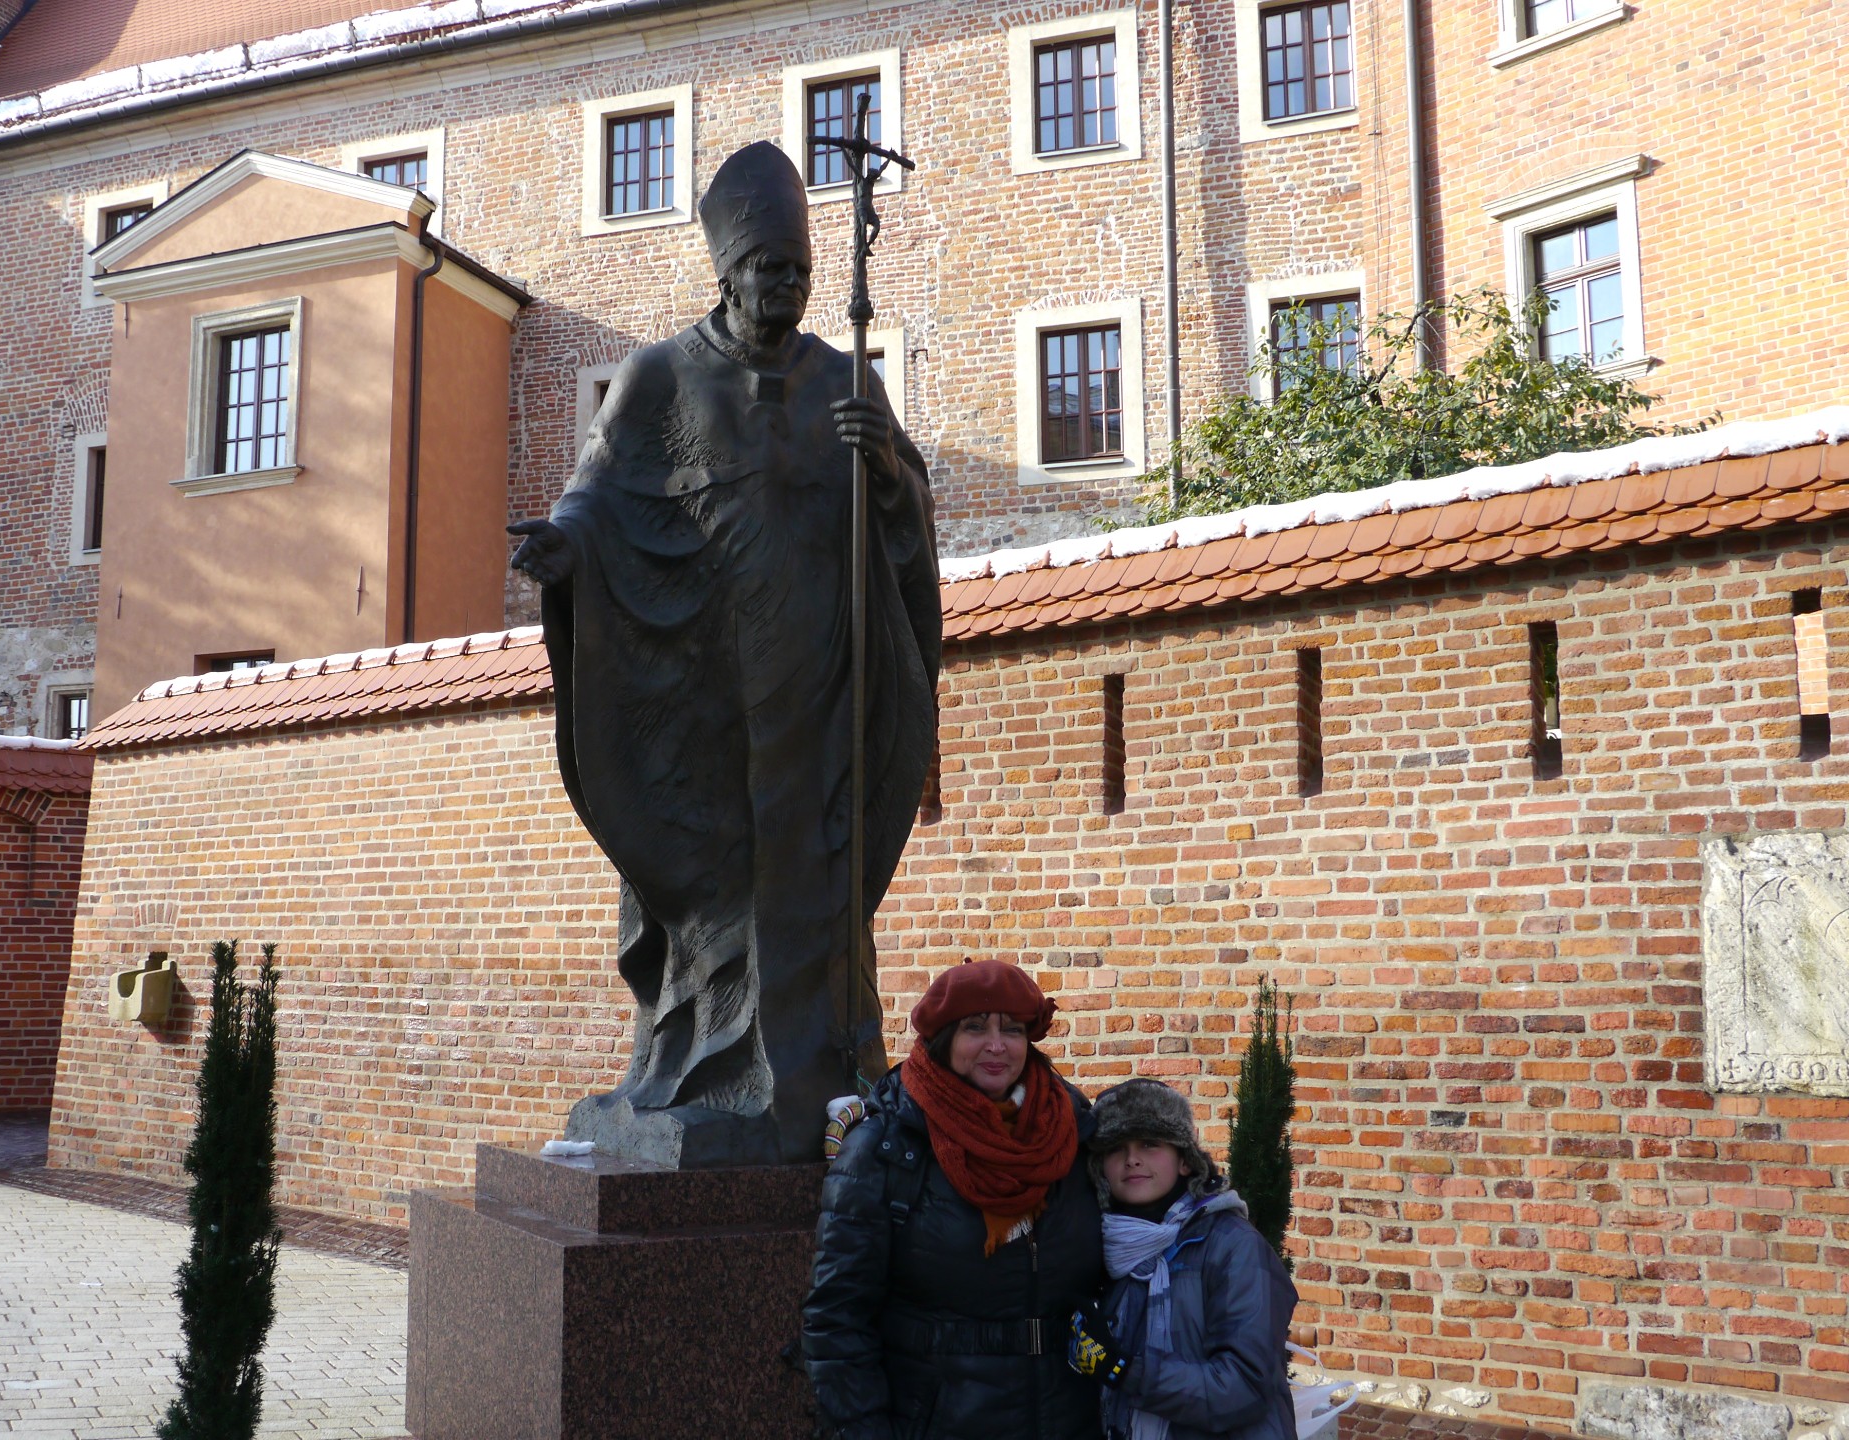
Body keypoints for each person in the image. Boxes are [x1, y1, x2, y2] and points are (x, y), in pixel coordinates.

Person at [506, 140, 940, 1168]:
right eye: (768, 269)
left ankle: (818, 1076)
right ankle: (695, 1072)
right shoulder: (659, 376)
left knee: (814, 876)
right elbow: (597, 497)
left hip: (821, 682)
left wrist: (884, 466)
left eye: (800, 271)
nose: (787, 286)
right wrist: (566, 551)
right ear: (728, 273)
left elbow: (908, 519)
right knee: (711, 875)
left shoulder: (843, 378)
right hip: (697, 683)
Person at [800, 959, 1106, 1440]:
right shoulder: (886, 1147)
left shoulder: (1072, 1135)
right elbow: (837, 1318)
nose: (997, 1045)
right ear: (943, 1039)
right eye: (975, 1028)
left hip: (1067, 1420)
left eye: (1012, 1029)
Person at [1065, 1079, 1299, 1440]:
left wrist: (1124, 1371)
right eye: (1116, 1148)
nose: (1132, 1159)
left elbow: (1244, 1386)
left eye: (1150, 1144)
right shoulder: (1105, 1250)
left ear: (1185, 1161)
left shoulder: (1233, 1246)